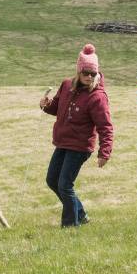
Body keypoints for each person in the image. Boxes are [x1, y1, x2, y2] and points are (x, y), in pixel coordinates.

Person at [39, 43, 114, 227]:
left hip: (80, 146)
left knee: (64, 184)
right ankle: (80, 214)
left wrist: (105, 152)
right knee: (52, 180)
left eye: (93, 73)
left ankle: (70, 226)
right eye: (86, 72)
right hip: (63, 142)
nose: (89, 77)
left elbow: (106, 126)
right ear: (78, 71)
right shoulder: (66, 86)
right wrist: (45, 105)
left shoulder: (97, 97)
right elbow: (56, 108)